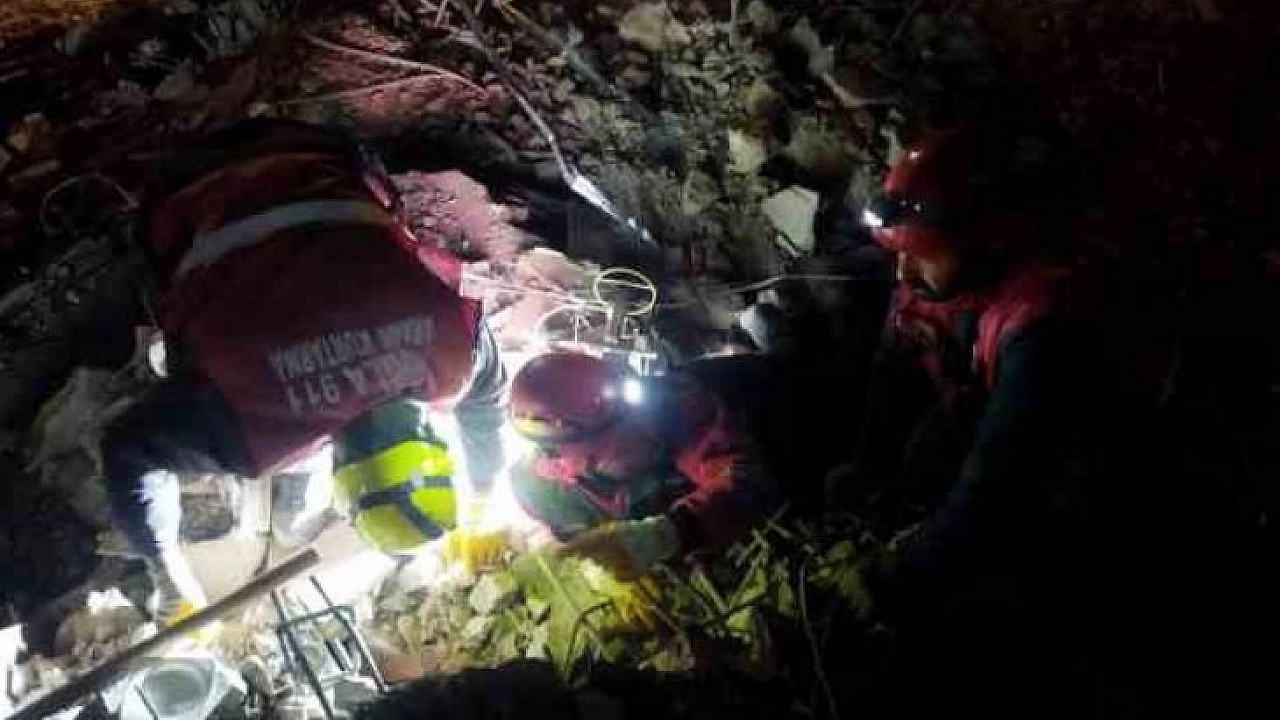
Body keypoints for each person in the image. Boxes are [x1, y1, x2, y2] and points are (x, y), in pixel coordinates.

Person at [102, 120, 507, 623]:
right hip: (185, 185)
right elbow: (126, 449)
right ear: (339, 473)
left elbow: (487, 402)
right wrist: (168, 574)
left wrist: (484, 491)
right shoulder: (254, 434)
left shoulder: (455, 357)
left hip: (312, 148)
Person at [837, 125, 1102, 617]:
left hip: (1071, 465)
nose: (903, 273)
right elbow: (891, 369)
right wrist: (867, 464)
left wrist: (902, 575)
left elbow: (996, 482)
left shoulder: (1039, 327)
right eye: (898, 253)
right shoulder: (940, 277)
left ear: (982, 240)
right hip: (976, 401)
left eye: (919, 257)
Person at [506, 351, 774, 580]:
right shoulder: (541, 493)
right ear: (564, 462)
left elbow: (748, 482)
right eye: (620, 432)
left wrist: (667, 534)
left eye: (633, 416)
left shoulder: (671, 406)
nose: (642, 427)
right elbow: (569, 545)